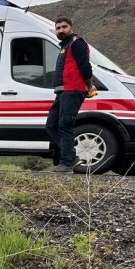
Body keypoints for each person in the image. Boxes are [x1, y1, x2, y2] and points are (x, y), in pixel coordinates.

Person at [47, 17, 95, 173]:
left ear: (71, 28)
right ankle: (71, 156)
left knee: (65, 125)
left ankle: (66, 162)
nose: (61, 30)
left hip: (73, 90)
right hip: (62, 91)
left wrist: (88, 86)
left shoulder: (77, 44)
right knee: (51, 125)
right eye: (58, 28)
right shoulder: (65, 46)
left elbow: (85, 67)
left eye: (64, 27)